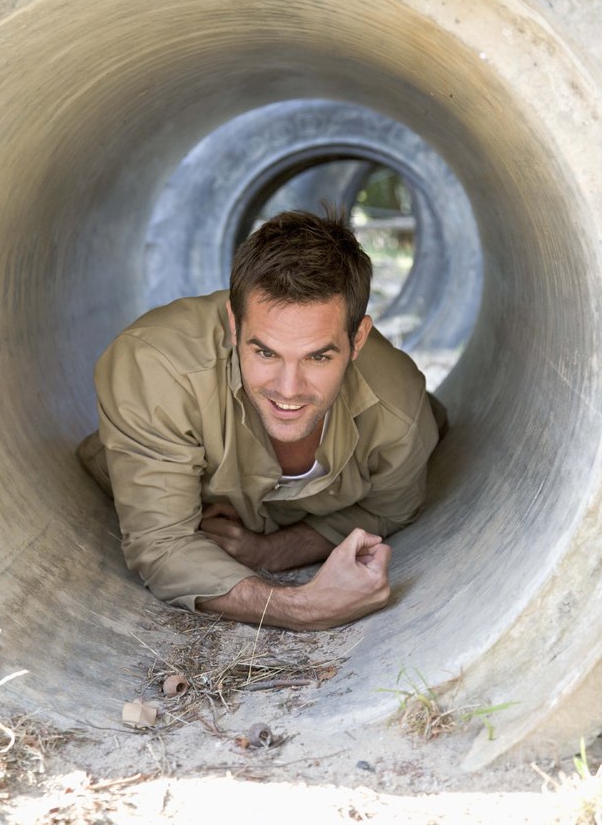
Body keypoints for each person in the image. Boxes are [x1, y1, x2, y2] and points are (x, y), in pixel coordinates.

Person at [77, 209, 444, 630]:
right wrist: (301, 607)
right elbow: (161, 544)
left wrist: (271, 551)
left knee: (431, 430)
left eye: (318, 356)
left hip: (373, 450)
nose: (289, 388)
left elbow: (391, 509)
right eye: (266, 352)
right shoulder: (157, 368)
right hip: (158, 459)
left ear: (357, 339)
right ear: (234, 327)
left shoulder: (397, 407)